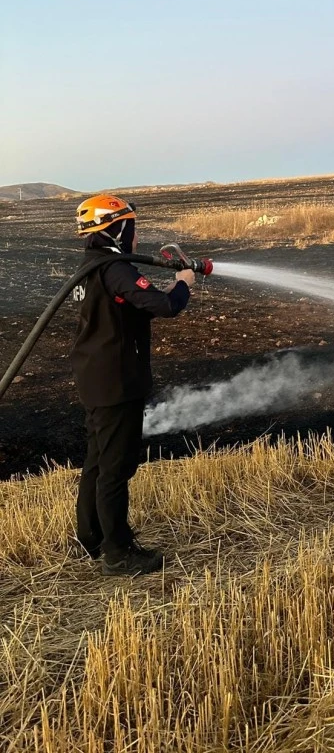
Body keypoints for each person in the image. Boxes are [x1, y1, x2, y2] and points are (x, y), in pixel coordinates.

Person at [70, 193, 195, 576]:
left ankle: (91, 539)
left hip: (95, 380)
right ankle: (117, 551)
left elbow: (128, 303)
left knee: (96, 463)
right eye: (132, 227)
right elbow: (163, 305)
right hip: (117, 383)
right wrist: (182, 283)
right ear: (118, 227)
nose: (135, 236)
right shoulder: (115, 268)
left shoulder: (92, 267)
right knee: (116, 468)